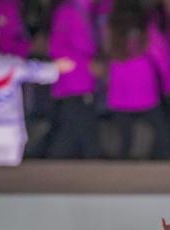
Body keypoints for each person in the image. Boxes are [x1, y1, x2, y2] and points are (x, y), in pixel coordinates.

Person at [0, 22, 75, 166]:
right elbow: (38, 71)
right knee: (9, 184)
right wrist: (58, 66)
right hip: (11, 132)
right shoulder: (11, 65)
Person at [105, 0, 170, 159]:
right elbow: (163, 60)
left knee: (125, 142)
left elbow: (103, 58)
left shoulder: (111, 32)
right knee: (165, 136)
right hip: (146, 94)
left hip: (119, 96)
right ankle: (167, 167)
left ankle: (120, 176)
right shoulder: (148, 32)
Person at [46, 0, 102, 159]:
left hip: (84, 84)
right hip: (73, 85)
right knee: (79, 136)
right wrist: (88, 64)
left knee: (73, 135)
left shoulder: (88, 10)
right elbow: (56, 47)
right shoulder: (68, 11)